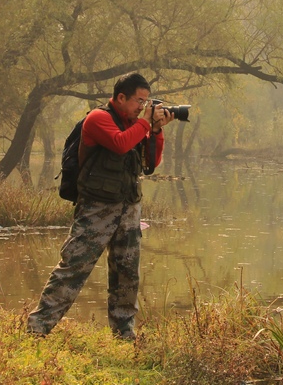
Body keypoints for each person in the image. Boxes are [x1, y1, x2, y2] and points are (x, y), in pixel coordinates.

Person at [27, 72, 173, 339]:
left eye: (145, 102)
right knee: (74, 267)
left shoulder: (135, 124)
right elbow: (119, 144)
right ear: (120, 97)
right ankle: (38, 328)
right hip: (97, 208)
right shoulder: (98, 119)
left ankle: (124, 333)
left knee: (127, 274)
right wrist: (143, 124)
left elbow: (150, 163)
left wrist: (156, 130)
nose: (143, 107)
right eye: (138, 101)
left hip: (129, 209)